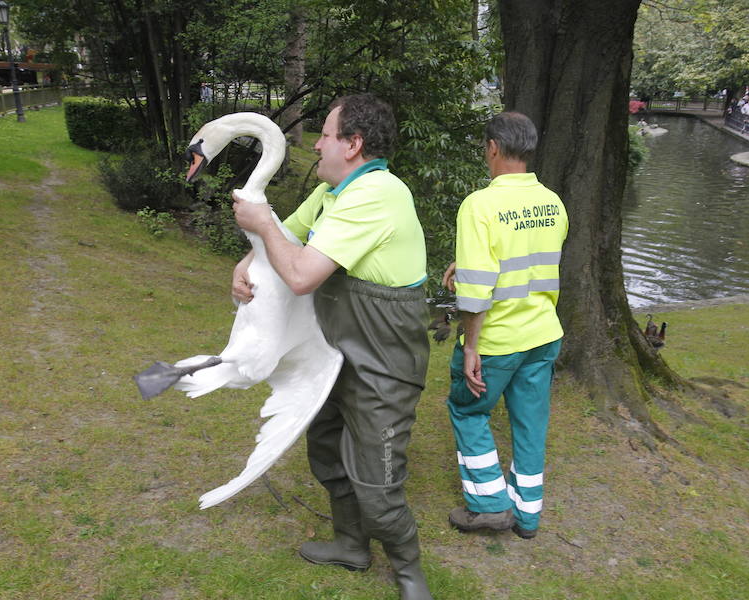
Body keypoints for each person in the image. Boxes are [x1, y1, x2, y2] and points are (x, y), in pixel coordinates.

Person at [232, 93, 432, 600]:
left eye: (324, 134)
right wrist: (247, 262)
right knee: (325, 451)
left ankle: (410, 572)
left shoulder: (378, 195)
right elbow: (283, 237)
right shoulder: (333, 193)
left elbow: (299, 274)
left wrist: (260, 228)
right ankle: (350, 545)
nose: (316, 144)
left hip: (384, 367)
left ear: (353, 144)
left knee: (378, 485)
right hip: (333, 356)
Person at [442, 112, 568, 540]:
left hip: (498, 340)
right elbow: (531, 257)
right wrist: (468, 263)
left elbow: (476, 290)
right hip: (544, 333)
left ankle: (490, 506)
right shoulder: (553, 202)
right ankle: (527, 516)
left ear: (493, 147)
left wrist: (471, 346)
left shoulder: (480, 205)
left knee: (468, 408)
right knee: (531, 423)